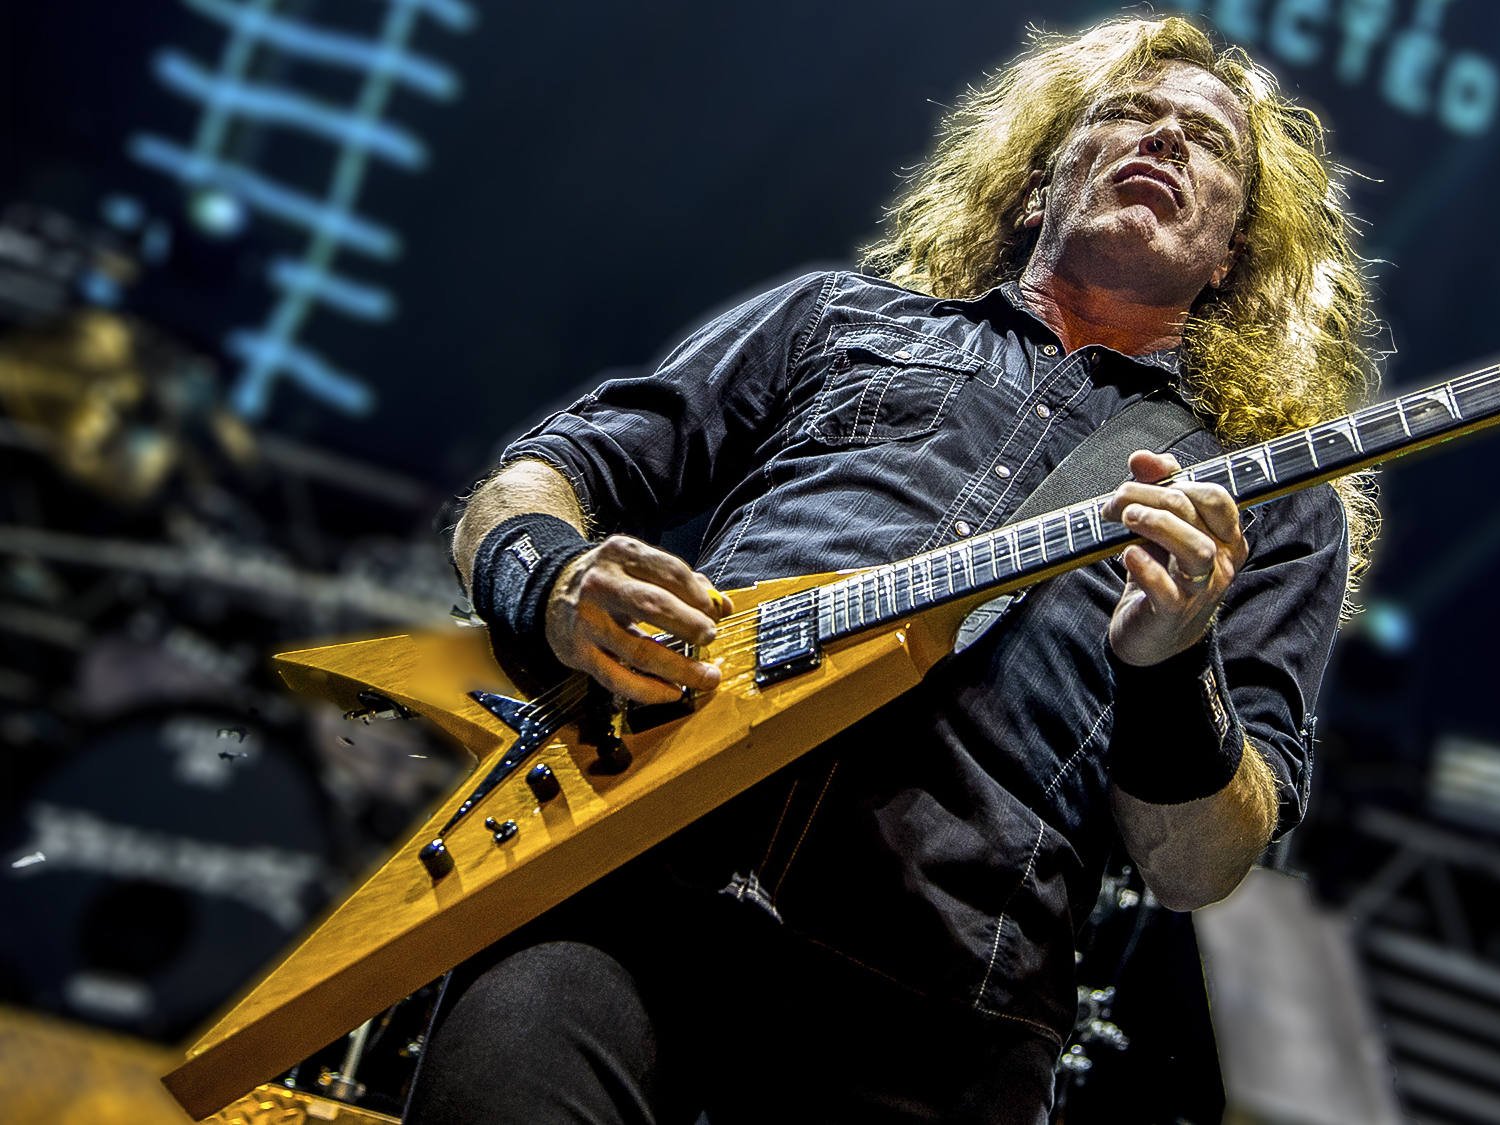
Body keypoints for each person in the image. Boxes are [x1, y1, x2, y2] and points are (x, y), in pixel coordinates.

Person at [411, 16, 1377, 1125]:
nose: (1161, 139)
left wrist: (1172, 666)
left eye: (1205, 142)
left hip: (936, 1005)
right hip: (623, 882)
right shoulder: (835, 320)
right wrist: (556, 582)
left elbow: (1198, 865)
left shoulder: (1266, 497)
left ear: (1227, 260)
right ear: (1033, 187)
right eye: (1124, 113)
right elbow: (537, 480)